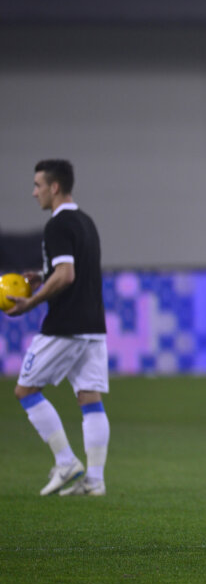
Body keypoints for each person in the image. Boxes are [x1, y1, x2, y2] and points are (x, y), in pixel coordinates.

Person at [7, 160, 110, 497]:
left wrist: (31, 302)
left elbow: (66, 275)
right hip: (93, 325)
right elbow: (69, 268)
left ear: (54, 187)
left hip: (66, 325)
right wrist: (43, 273)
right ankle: (94, 480)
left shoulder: (57, 225)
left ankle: (65, 461)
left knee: (25, 390)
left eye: (38, 185)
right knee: (89, 398)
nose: (34, 192)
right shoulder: (86, 221)